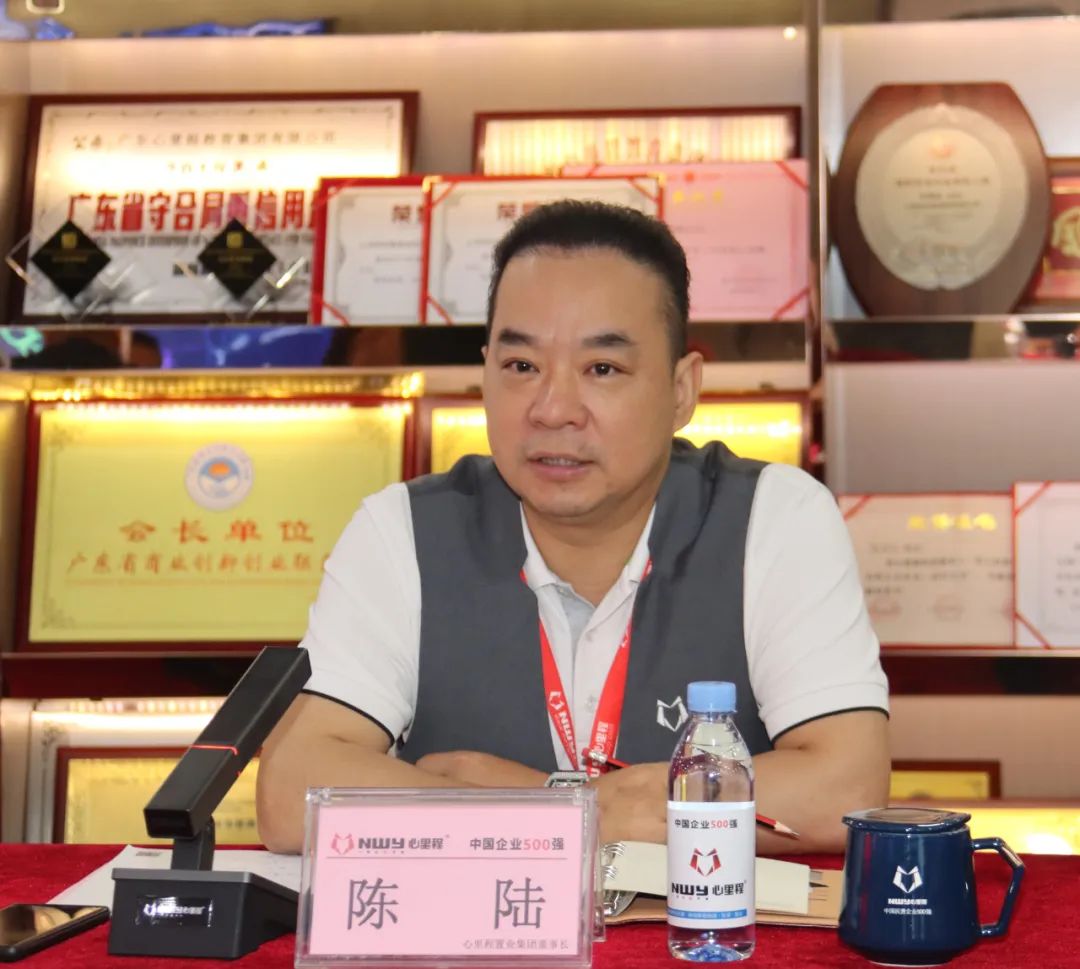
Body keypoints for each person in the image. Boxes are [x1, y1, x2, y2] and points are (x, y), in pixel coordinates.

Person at [257, 200, 889, 854]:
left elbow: (844, 788)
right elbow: (291, 792)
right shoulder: (403, 533)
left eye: (602, 369)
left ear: (681, 390)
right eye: (521, 367)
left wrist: (528, 800)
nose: (553, 409)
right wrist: (579, 812)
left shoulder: (773, 519)